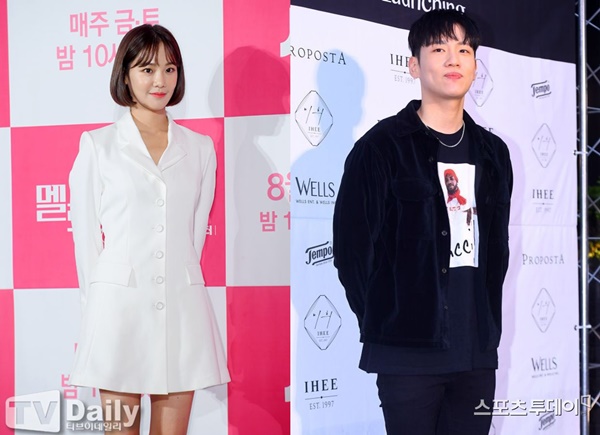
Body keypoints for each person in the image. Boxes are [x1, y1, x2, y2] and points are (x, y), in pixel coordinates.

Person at [332, 9, 512, 435]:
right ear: (413, 65)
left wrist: (486, 328)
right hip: (406, 355)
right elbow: (353, 253)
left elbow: (496, 251)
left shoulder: (494, 153)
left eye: (464, 50)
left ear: (475, 65)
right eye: (439, 49)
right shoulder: (381, 148)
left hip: (476, 353)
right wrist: (390, 320)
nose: (454, 59)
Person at [69, 24, 230, 434]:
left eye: (170, 69)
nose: (160, 80)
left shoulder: (200, 148)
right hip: (117, 314)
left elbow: (193, 237)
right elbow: (86, 241)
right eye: (147, 69)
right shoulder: (98, 145)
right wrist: (95, 312)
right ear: (125, 75)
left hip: (181, 311)